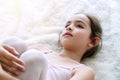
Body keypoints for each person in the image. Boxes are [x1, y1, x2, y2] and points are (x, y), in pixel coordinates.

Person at [0, 13, 102, 80]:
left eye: (79, 26)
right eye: (67, 25)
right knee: (15, 43)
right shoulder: (39, 48)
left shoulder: (83, 71)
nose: (69, 27)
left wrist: (2, 76)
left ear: (93, 42)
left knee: (35, 58)